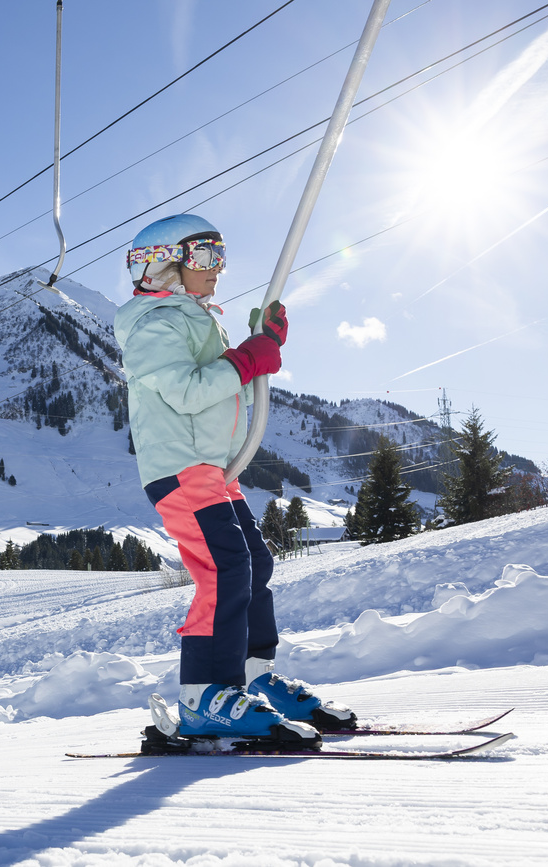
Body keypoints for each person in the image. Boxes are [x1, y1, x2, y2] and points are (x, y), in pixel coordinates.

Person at [114, 213, 355, 748]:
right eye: (203, 257)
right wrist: (247, 359)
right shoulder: (154, 325)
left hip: (213, 468)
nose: (216, 269)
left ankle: (251, 677)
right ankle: (204, 696)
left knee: (254, 563)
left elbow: (225, 392)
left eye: (220, 256)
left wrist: (258, 348)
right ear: (163, 265)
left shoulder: (194, 319)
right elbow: (187, 391)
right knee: (224, 569)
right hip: (180, 468)